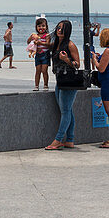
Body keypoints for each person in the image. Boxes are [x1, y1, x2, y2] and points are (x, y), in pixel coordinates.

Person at [44, 19, 81, 150]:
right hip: (60, 80)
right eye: (58, 27)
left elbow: (77, 64)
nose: (59, 30)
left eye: (62, 28)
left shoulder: (70, 45)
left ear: (68, 30)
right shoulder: (56, 44)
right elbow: (45, 42)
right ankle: (70, 140)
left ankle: (58, 140)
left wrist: (67, 59)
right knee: (68, 111)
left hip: (69, 81)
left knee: (65, 111)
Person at [29, 18, 51, 90]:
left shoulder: (47, 35)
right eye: (39, 26)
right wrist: (31, 37)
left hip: (45, 54)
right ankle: (36, 85)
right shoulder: (36, 36)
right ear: (36, 27)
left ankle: (45, 85)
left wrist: (40, 42)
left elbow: (48, 44)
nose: (41, 28)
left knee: (44, 70)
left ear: (46, 27)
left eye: (43, 26)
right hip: (38, 55)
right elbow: (28, 42)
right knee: (38, 71)